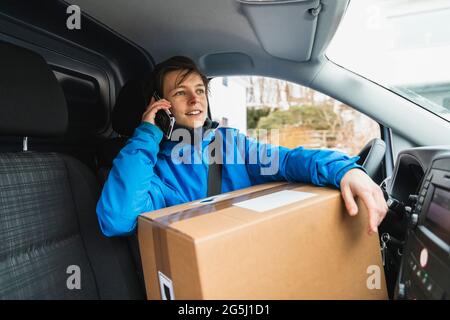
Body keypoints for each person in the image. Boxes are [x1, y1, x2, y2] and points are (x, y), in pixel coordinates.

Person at [97, 56, 388, 237]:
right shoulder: (154, 171)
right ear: (162, 105)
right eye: (180, 93)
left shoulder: (232, 145)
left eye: (200, 91)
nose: (195, 100)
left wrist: (344, 170)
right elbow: (118, 221)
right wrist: (148, 133)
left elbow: (288, 161)